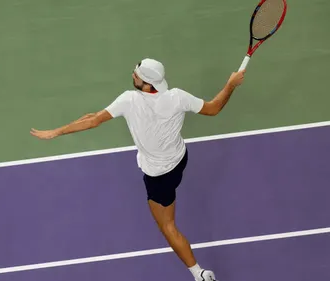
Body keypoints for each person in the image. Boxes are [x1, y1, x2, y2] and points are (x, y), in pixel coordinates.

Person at [30, 58, 245, 281]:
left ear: (149, 84)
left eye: (137, 76)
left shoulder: (129, 100)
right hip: (179, 159)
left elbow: (94, 121)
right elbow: (214, 108)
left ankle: (199, 274)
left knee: (167, 226)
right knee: (167, 210)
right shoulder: (177, 97)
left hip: (158, 176)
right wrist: (230, 84)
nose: (133, 75)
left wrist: (56, 132)